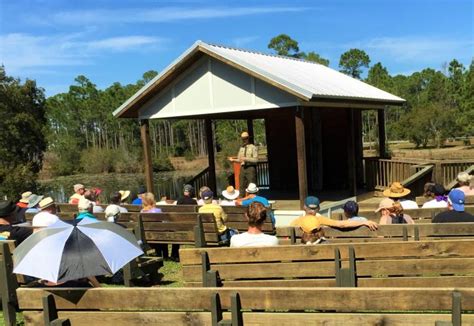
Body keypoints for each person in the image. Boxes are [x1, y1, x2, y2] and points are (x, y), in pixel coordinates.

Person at [293, 197, 378, 243]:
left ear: (304, 207)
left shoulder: (296, 222)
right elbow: (341, 224)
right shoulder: (320, 219)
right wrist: (364, 222)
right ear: (318, 208)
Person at [228, 131, 258, 196]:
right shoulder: (241, 148)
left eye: (245, 138)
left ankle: (254, 201)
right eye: (243, 139)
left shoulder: (253, 147)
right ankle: (242, 200)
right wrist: (233, 160)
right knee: (241, 185)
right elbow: (240, 159)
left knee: (252, 185)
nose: (244, 140)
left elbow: (256, 160)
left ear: (248, 138)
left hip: (250, 168)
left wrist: (245, 158)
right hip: (243, 168)